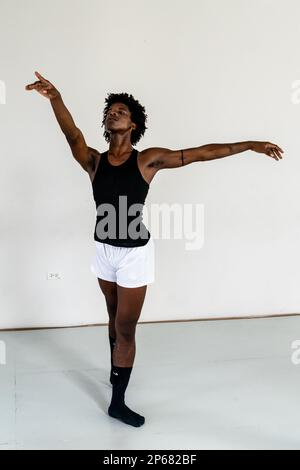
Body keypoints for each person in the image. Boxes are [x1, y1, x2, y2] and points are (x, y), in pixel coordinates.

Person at [25, 71, 284, 428]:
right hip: (103, 250)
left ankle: (117, 402)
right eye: (110, 111)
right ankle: (117, 373)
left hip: (134, 255)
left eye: (121, 111)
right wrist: (55, 97)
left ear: (133, 124)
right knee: (112, 321)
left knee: (126, 328)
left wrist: (250, 144)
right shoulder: (94, 161)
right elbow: (72, 134)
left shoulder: (148, 159)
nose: (113, 114)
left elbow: (203, 153)